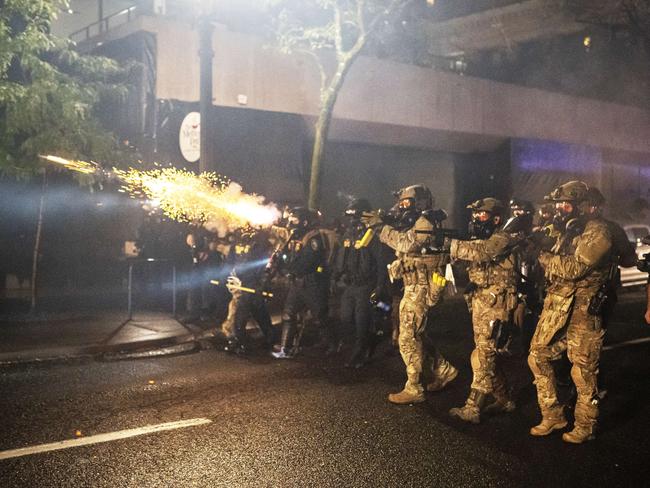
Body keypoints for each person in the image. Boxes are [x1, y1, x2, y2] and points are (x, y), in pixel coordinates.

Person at [528, 180, 613, 443]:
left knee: (582, 370)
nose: (561, 209)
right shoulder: (566, 230)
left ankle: (585, 425)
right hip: (558, 308)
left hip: (584, 312)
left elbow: (575, 269)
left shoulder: (599, 232)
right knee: (537, 357)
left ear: (584, 206)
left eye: (566, 204)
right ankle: (553, 415)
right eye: (559, 205)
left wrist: (541, 255)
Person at [362, 185, 457, 404]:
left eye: (407, 202)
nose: (402, 207)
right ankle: (443, 369)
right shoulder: (417, 221)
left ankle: (414, 387)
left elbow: (407, 243)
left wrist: (381, 228)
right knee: (418, 333)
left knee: (407, 337)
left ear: (420, 203)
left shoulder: (425, 222)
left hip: (421, 287)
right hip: (414, 284)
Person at [448, 198, 518, 423]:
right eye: (475, 215)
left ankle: (473, 407)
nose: (477, 219)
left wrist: (452, 244)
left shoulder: (503, 238)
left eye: (482, 215)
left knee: (482, 356)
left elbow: (483, 253)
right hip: (481, 302)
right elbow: (468, 265)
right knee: (485, 353)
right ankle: (505, 399)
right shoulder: (481, 240)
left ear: (496, 218)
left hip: (496, 305)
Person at [270, 207, 335, 359]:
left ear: (305, 222)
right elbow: (289, 256)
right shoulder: (295, 236)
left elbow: (307, 262)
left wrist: (288, 268)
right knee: (288, 314)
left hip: (312, 283)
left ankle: (332, 343)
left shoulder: (314, 239)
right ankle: (285, 348)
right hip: (298, 282)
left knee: (320, 316)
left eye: (295, 220)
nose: (292, 223)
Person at [332, 198, 390, 368]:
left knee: (361, 321)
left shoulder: (372, 235)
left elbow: (380, 262)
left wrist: (379, 286)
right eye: (350, 217)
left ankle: (360, 352)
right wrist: (335, 277)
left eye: (355, 217)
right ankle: (366, 342)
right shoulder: (348, 234)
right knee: (345, 317)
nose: (352, 221)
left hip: (366, 285)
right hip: (350, 284)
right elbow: (340, 257)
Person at [221, 229, 275, 355]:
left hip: (252, 284)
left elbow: (265, 266)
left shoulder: (261, 243)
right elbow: (230, 260)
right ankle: (268, 338)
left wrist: (261, 284)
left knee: (242, 312)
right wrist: (224, 276)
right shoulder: (238, 242)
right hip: (240, 283)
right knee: (256, 311)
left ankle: (240, 342)